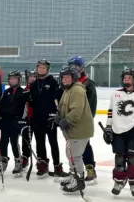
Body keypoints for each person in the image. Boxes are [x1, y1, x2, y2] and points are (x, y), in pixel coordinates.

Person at [103, 68, 134, 198]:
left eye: (129, 78)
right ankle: (119, 180)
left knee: (133, 159)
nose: (126, 80)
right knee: (119, 158)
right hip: (118, 131)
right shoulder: (116, 94)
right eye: (125, 78)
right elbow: (111, 112)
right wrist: (108, 128)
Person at [56, 66, 94, 193]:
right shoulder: (68, 90)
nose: (65, 80)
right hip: (72, 129)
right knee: (70, 154)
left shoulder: (77, 90)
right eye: (63, 77)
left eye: (68, 77)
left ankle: (79, 180)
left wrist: (66, 120)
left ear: (74, 78)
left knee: (75, 156)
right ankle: (74, 176)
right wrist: (58, 117)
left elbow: (76, 111)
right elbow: (62, 107)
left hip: (79, 129)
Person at [29, 59, 68, 178]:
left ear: (47, 69)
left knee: (53, 143)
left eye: (43, 68)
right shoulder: (34, 84)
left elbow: (58, 100)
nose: (41, 69)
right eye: (39, 67)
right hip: (37, 118)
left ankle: (57, 167)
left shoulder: (53, 82)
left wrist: (54, 115)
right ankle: (43, 166)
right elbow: (31, 102)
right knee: (40, 143)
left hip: (50, 118)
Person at [68, 56, 98, 184]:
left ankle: (90, 168)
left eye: (76, 66)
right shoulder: (69, 83)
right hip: (71, 121)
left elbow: (91, 105)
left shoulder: (88, 84)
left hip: (82, 122)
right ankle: (75, 171)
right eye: (71, 66)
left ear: (82, 68)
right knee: (72, 148)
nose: (73, 69)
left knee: (85, 146)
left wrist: (85, 120)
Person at [0, 71, 29, 177]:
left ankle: (18, 162)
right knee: (3, 142)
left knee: (14, 142)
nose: (12, 80)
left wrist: (23, 120)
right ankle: (3, 160)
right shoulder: (6, 92)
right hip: (6, 120)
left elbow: (25, 108)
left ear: (19, 80)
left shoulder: (23, 92)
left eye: (15, 78)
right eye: (11, 79)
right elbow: (1, 106)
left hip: (16, 120)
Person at [21, 69, 36, 170]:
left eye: (34, 76)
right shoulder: (24, 90)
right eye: (30, 76)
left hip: (37, 118)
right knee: (25, 139)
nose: (32, 78)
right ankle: (25, 157)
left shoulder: (38, 89)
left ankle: (41, 160)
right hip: (27, 119)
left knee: (40, 141)